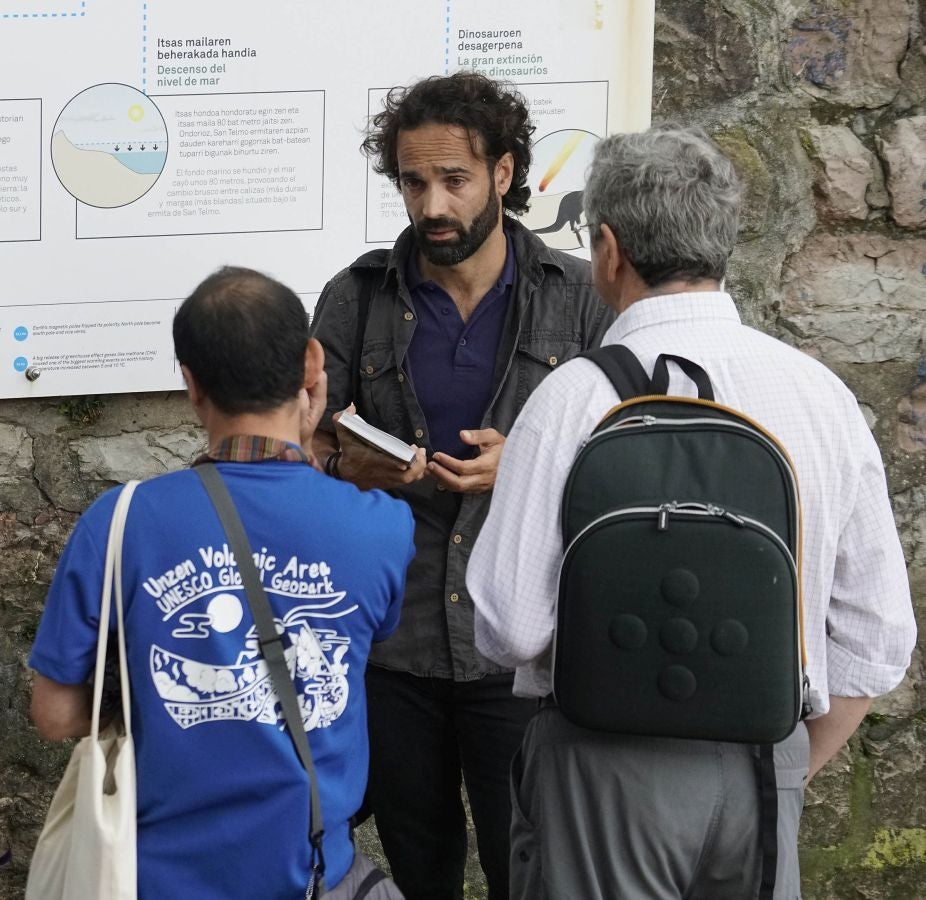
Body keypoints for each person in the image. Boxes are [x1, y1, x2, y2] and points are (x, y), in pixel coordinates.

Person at [467, 124, 918, 899]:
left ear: (608, 249)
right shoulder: (820, 395)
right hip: (762, 762)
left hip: (602, 768)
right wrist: (787, 769)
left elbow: (510, 627)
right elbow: (879, 637)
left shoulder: (572, 397)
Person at [310, 72, 614, 899]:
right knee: (417, 862)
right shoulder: (355, 297)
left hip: (521, 644)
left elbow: (635, 458)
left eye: (454, 180)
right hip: (392, 638)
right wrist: (345, 464)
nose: (432, 205)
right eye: (414, 182)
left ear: (505, 174)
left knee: (534, 863)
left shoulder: (580, 299)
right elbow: (294, 447)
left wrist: (532, 460)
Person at [29, 267, 415, 899]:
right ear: (312, 365)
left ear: (190, 384)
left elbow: (53, 715)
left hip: (158, 879)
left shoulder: (117, 523)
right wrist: (309, 456)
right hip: (311, 876)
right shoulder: (381, 527)